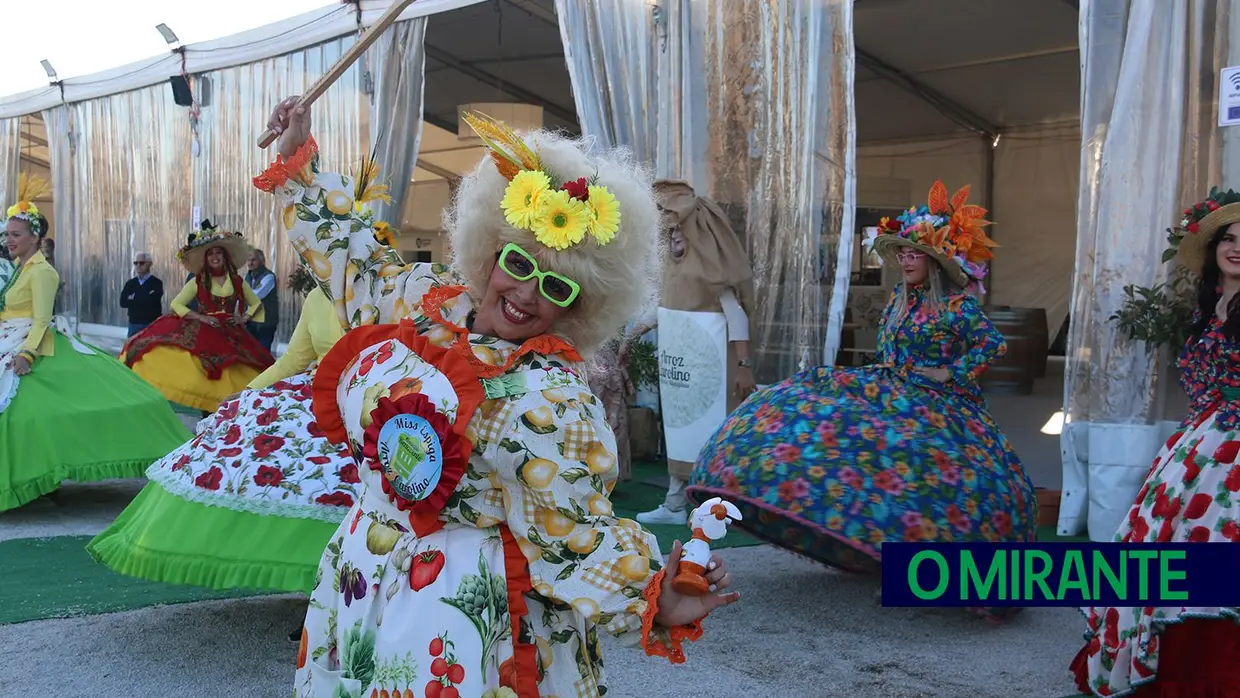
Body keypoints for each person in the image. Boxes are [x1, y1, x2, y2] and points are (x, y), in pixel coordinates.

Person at [259, 97, 739, 697]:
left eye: (557, 286)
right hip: (363, 571)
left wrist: (654, 597)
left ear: (580, 304)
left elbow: (574, 529)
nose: (526, 293)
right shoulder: (424, 299)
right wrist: (297, 166)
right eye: (518, 261)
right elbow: (356, 264)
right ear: (493, 249)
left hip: (465, 612)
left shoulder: (551, 397)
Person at [686, 181, 1037, 617]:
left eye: (915, 254)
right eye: (903, 254)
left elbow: (993, 345)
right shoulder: (898, 298)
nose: (906, 261)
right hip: (888, 388)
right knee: (821, 425)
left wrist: (953, 371)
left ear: (935, 261)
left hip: (937, 401)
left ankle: (936, 574)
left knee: (934, 485)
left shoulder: (958, 307)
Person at [1072, 188, 1240, 696]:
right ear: (1213, 250)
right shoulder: (1209, 307)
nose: (1237, 247)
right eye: (1228, 239)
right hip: (1199, 442)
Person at [89, 281, 352, 595]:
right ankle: (314, 587)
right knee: (267, 467)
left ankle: (345, 588)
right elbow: (294, 359)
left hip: (369, 398)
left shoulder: (388, 289)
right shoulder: (316, 296)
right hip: (314, 396)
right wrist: (246, 394)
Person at [0, 175, 191, 511]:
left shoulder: (41, 271)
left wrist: (27, 354)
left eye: (15, 235)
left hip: (29, 341)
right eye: (7, 234)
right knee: (31, 414)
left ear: (35, 237)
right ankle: (41, 475)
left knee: (30, 412)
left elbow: (42, 318)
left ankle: (41, 475)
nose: (8, 240)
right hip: (11, 336)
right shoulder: (20, 269)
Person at [638, 181, 756, 526]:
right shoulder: (675, 269)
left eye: (678, 232)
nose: (673, 239)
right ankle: (675, 504)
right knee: (681, 432)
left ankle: (718, 510)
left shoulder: (711, 271)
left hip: (711, 372)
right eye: (669, 233)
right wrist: (629, 337)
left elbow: (736, 317)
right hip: (681, 374)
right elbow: (662, 309)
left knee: (710, 436)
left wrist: (744, 365)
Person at [122, 223, 274, 413]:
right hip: (205, 331)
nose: (215, 257)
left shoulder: (236, 281)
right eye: (210, 254)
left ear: (224, 256)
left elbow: (255, 303)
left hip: (231, 333)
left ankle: (223, 418)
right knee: (204, 377)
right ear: (206, 259)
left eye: (218, 253)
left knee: (237, 376)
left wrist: (244, 318)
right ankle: (207, 419)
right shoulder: (198, 281)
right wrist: (200, 318)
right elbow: (176, 304)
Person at [120, 251, 164, 337]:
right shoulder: (130, 283)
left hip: (151, 325)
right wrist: (144, 297)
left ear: (149, 264)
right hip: (134, 325)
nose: (138, 266)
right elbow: (122, 302)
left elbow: (152, 302)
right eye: (136, 263)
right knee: (132, 349)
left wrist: (133, 299)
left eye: (141, 263)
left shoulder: (157, 283)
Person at [245, 248, 280, 351]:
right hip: (250, 322)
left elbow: (256, 296)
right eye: (248, 260)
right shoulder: (247, 276)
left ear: (262, 261)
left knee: (263, 353)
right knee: (250, 352)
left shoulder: (269, 276)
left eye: (253, 260)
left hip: (266, 322)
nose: (250, 263)